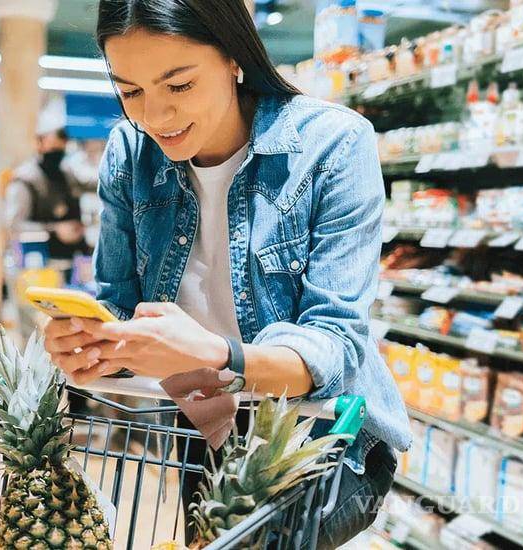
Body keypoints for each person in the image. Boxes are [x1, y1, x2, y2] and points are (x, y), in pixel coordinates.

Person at [42, 0, 412, 548]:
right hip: (203, 424)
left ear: (235, 57)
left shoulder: (334, 144)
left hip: (318, 435)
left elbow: (333, 344)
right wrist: (95, 343)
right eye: (130, 91)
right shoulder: (129, 154)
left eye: (180, 86)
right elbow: (119, 303)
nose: (155, 116)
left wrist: (216, 355)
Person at [4, 127, 89, 262]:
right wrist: (54, 230)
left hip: (72, 261)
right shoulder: (25, 180)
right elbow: (14, 226)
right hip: (36, 263)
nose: (57, 154)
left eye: (61, 149)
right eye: (53, 148)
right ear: (39, 143)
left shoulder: (67, 175)